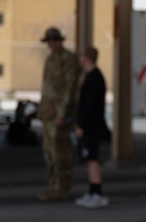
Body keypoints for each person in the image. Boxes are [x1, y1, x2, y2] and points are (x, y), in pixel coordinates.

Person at [37, 26, 79, 202]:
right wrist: (41, 109)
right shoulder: (50, 59)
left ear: (60, 41)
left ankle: (62, 188)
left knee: (60, 151)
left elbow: (70, 89)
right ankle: (54, 186)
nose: (51, 44)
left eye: (54, 41)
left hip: (60, 114)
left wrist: (62, 113)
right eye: (49, 42)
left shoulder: (68, 59)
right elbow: (46, 87)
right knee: (49, 152)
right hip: (49, 112)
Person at [74, 46, 109, 209]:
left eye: (81, 55)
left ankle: (97, 193)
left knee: (92, 159)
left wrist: (82, 125)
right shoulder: (90, 76)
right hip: (90, 125)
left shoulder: (95, 78)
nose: (79, 58)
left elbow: (90, 105)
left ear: (86, 57)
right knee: (89, 159)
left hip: (92, 126)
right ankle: (92, 190)